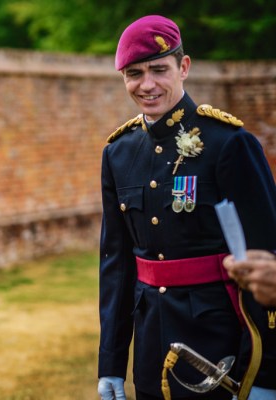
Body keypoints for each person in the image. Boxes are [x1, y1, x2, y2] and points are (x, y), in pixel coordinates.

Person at [97, 15, 276, 400]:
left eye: (159, 70)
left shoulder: (229, 143)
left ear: (184, 67)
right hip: (150, 344)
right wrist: (110, 364)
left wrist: (266, 375)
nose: (147, 85)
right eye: (134, 73)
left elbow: (269, 257)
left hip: (218, 341)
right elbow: (117, 266)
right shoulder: (118, 152)